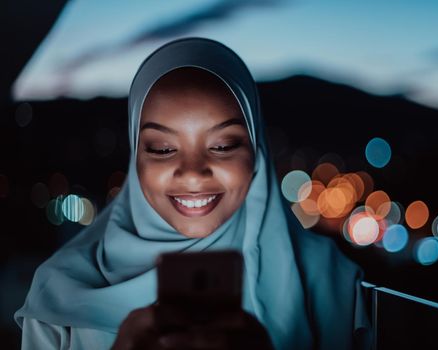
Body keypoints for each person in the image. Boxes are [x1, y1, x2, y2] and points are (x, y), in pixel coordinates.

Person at [14, 37, 369, 349]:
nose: (194, 172)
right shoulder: (59, 292)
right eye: (163, 149)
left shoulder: (327, 277)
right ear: (136, 159)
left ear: (257, 154)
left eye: (224, 144)